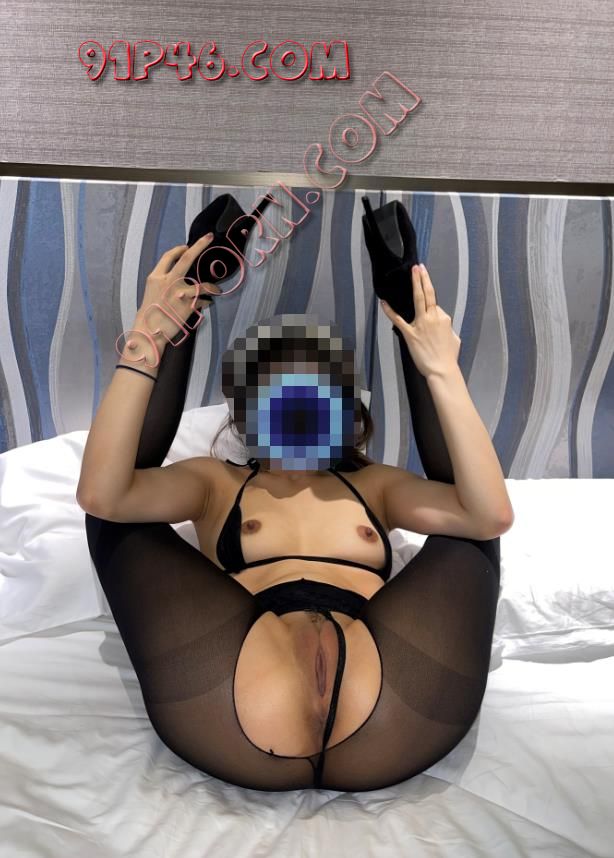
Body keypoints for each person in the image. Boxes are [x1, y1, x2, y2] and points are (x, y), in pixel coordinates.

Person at [78, 223, 513, 793]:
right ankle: (185, 313)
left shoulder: (377, 486)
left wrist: (441, 368)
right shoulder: (214, 482)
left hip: (389, 705)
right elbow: (103, 496)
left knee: (470, 523)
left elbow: (489, 516)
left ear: (345, 415)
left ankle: (403, 304)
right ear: (247, 417)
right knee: (113, 515)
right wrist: (148, 336)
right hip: (238, 693)